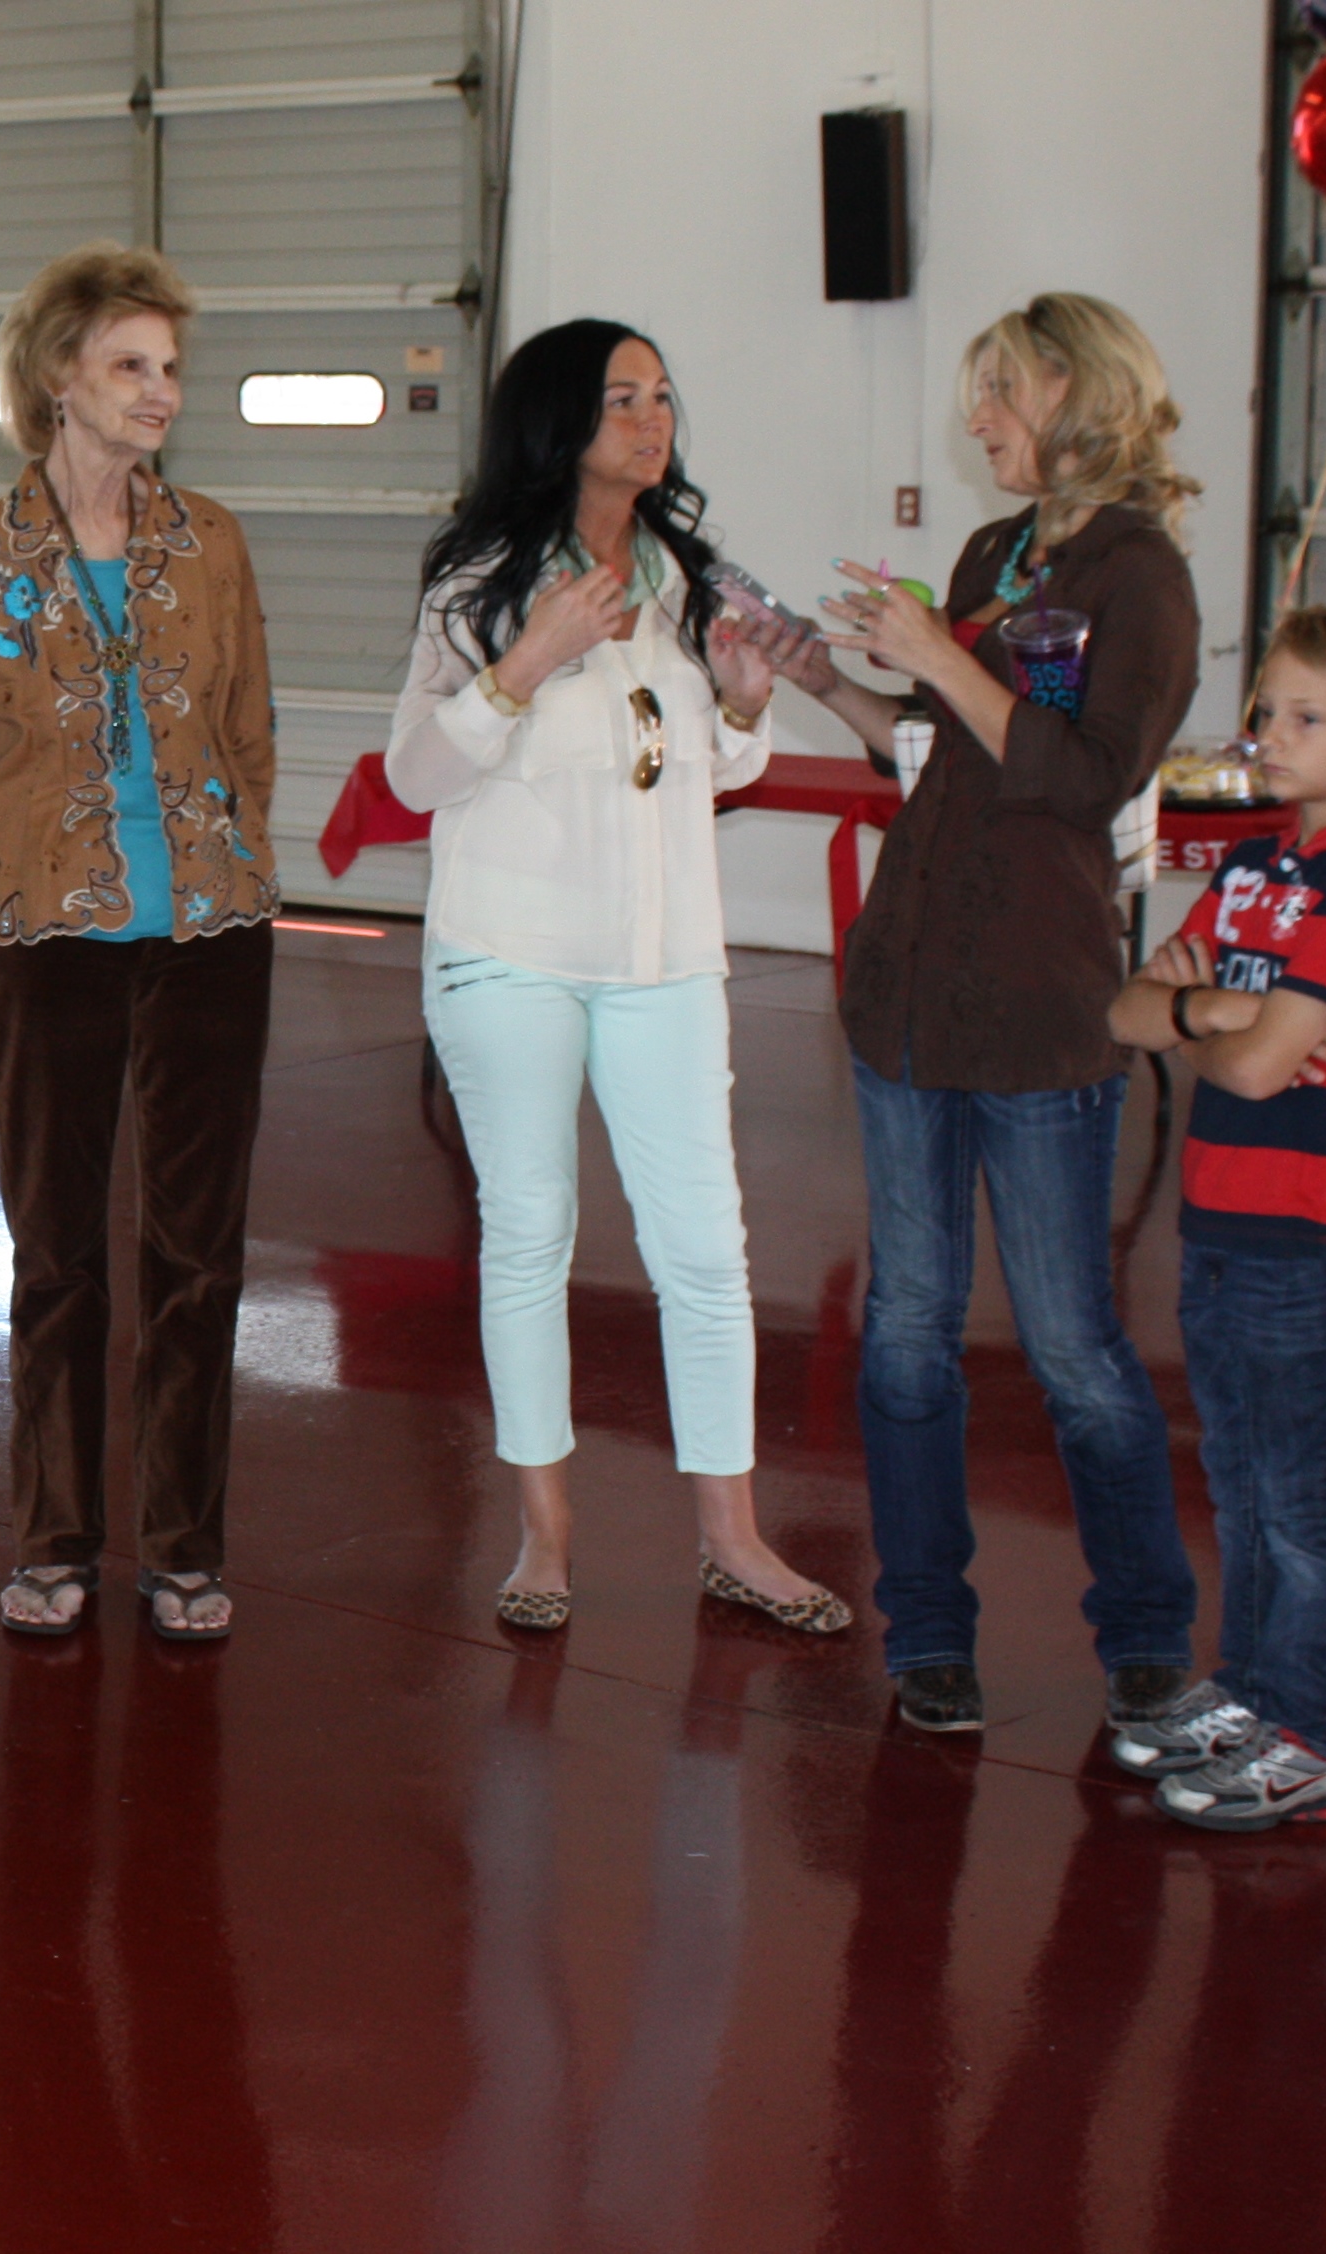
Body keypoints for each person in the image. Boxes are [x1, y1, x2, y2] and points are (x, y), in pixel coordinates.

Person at [750, 292, 1204, 1733]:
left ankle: (1145, 1631)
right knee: (903, 1333)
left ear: (1076, 393)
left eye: (999, 392)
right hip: (908, 996)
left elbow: (1079, 777)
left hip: (1035, 1003)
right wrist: (825, 676)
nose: (977, 420)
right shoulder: (994, 555)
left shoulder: (1142, 576)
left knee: (1071, 1346)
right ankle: (927, 1631)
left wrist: (940, 654)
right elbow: (943, 753)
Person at [384, 319, 848, 1637]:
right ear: (556, 423)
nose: (652, 422)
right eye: (621, 399)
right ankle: (543, 1532)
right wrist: (524, 663)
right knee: (529, 1233)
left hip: (662, 958)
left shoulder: (685, 577)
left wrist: (744, 703)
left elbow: (707, 766)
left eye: (660, 397)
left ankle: (731, 1537)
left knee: (704, 1246)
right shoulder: (479, 580)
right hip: (508, 952)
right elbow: (415, 775)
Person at [0, 242, 277, 1643]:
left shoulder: (210, 545)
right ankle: (52, 1539)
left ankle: (183, 1546)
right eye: (129, 366)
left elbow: (247, 734)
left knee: (198, 1256)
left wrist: (231, 863)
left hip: (209, 936)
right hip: (37, 941)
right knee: (56, 1255)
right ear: (56, 377)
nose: (160, 392)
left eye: (170, 368)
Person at [1105, 609, 1326, 1829]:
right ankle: (1249, 1694)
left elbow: (1253, 1071)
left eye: (1306, 716)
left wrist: (1207, 1023)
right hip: (1221, 1221)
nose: (1270, 735)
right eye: (1266, 711)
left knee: (1299, 1500)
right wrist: (1218, 1016)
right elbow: (1125, 1011)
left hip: (1308, 1237)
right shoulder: (1251, 868)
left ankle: (1309, 1733)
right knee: (1240, 1482)